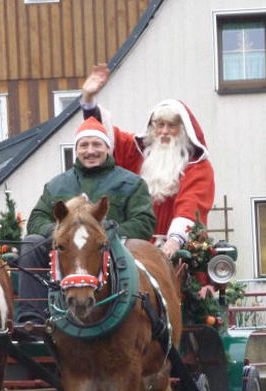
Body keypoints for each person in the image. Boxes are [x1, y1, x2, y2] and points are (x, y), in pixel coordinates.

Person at [16, 117, 156, 325]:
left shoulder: (131, 183)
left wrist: (108, 232)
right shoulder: (56, 186)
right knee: (31, 242)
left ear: (107, 148)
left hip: (111, 252)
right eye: (84, 145)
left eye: (97, 144)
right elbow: (37, 219)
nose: (90, 151)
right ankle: (32, 319)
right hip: (66, 252)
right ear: (77, 150)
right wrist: (63, 233)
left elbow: (144, 222)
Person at [81, 63, 216, 259]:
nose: (164, 131)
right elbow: (102, 138)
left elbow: (191, 206)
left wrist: (174, 241)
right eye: (160, 125)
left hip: (175, 250)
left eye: (172, 126)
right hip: (129, 246)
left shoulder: (197, 166)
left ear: (184, 130)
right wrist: (89, 98)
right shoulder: (137, 153)